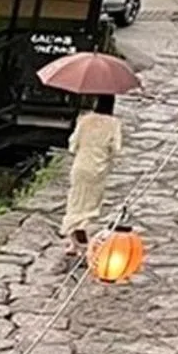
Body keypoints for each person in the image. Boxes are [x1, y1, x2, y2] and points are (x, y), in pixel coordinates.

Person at [62, 94, 123, 256]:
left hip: (81, 166)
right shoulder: (113, 124)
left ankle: (73, 242)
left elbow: (73, 145)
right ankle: (81, 233)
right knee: (90, 205)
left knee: (75, 202)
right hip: (98, 170)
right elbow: (116, 148)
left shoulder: (85, 120)